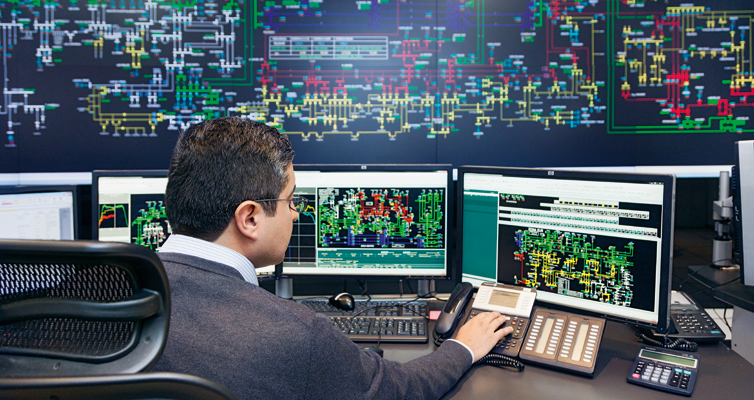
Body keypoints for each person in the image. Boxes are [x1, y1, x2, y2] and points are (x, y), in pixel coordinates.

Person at [152, 116, 513, 399]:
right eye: (291, 200)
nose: (295, 214)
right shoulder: (291, 333)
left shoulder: (108, 296)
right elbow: (399, 389)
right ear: (249, 218)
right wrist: (462, 347)